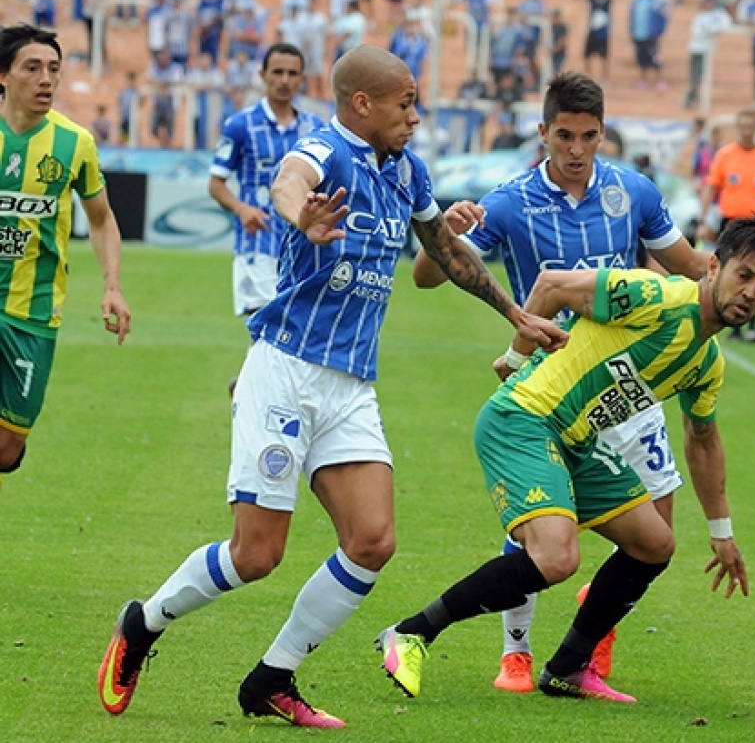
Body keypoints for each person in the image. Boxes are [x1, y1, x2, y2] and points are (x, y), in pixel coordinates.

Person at [97, 44, 565, 730]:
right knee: (256, 555)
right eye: (405, 102)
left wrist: (514, 312)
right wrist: (299, 216)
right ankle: (144, 622)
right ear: (361, 104)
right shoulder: (325, 152)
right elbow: (290, 181)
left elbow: (443, 251)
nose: (416, 114)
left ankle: (272, 677)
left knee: (372, 540)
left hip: (351, 387)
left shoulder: (408, 170)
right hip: (286, 371)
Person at [410, 72, 755, 693]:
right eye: (563, 136)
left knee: (655, 536)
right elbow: (433, 275)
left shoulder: (634, 192)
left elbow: (694, 268)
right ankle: (510, 650)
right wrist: (453, 245)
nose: (575, 150)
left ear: (603, 135)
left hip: (635, 373)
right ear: (542, 134)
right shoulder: (513, 200)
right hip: (552, 379)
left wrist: (754, 255)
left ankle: (578, 661)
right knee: (547, 538)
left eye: (588, 136)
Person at [378, 218, 755, 703]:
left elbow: (703, 441)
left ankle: (568, 667)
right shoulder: (656, 297)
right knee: (556, 557)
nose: (750, 293)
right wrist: (514, 358)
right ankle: (411, 633)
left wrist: (722, 534)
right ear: (714, 265)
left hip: (576, 440)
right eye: (743, 275)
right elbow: (551, 286)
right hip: (524, 417)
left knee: (655, 544)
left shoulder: (705, 362)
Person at [0, 25, 131, 482]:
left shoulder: (74, 143)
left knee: (7, 449)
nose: (46, 79)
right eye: (32, 68)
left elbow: (101, 219)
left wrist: (112, 286)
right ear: (3, 75)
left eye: (53, 69)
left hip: (32, 310)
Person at [208, 43, 325, 393]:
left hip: (302, 245)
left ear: (303, 79)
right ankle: (256, 391)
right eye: (277, 72)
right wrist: (242, 209)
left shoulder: (315, 127)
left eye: (292, 73)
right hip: (257, 241)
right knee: (265, 323)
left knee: (295, 326)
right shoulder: (240, 125)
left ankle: (250, 386)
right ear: (262, 76)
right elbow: (216, 184)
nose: (284, 80)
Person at [698, 109, 755, 341]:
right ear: (738, 127)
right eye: (744, 126)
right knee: (733, 272)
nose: (747, 130)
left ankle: (751, 325)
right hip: (732, 222)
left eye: (751, 126)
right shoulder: (725, 155)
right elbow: (711, 187)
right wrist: (704, 218)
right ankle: (731, 326)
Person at [684, 0, 731, 110]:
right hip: (697, 48)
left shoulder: (719, 14)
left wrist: (711, 30)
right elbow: (697, 32)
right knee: (695, 74)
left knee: (703, 74)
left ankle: (697, 98)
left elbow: (724, 26)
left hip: (708, 50)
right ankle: (692, 97)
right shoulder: (700, 15)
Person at [629, 0, 669, 92]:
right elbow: (632, 16)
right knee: (641, 59)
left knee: (655, 58)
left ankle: (659, 81)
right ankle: (644, 81)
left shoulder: (658, 1)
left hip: (651, 35)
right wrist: (632, 31)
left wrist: (659, 31)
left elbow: (664, 16)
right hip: (638, 34)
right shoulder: (636, 0)